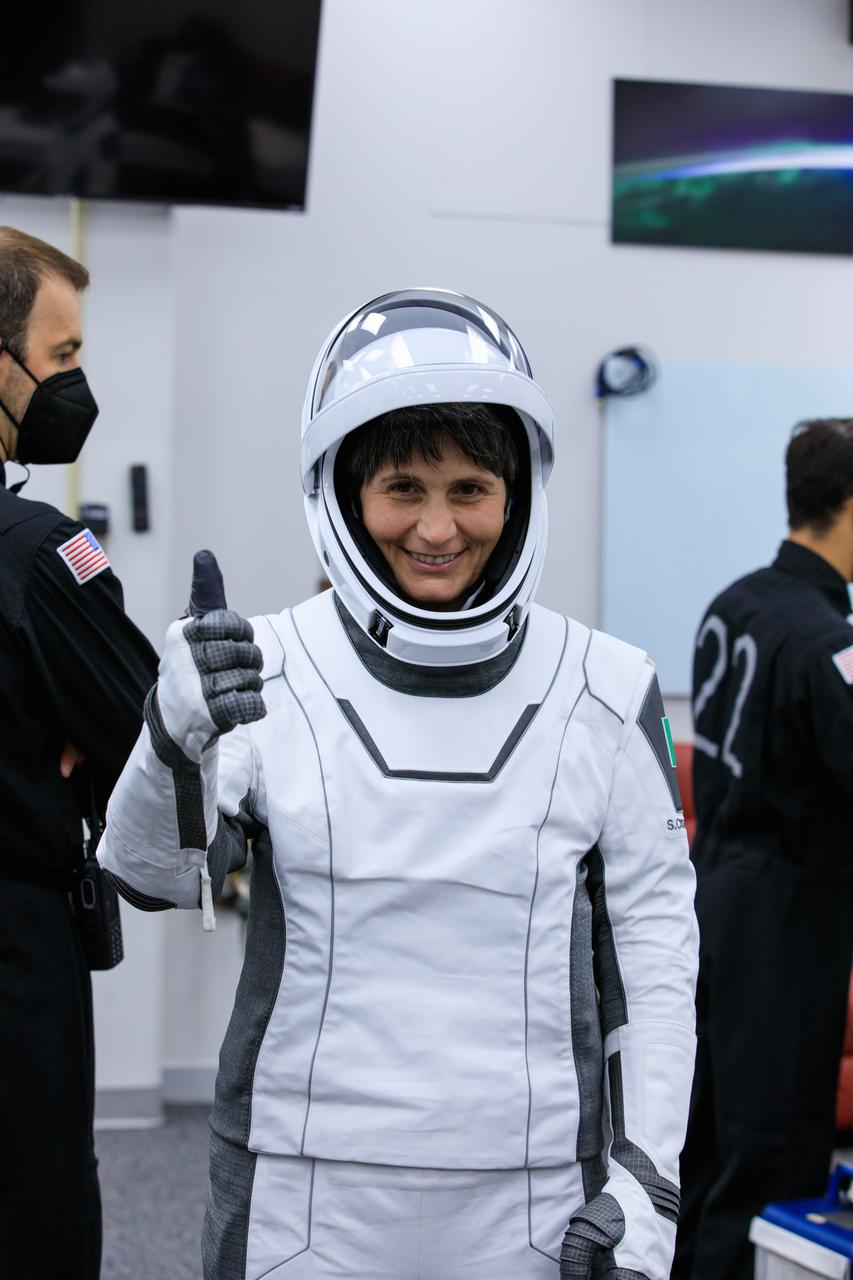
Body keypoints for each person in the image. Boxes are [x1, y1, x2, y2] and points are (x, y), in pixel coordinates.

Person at [99, 288, 698, 1279]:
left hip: (535, 1182)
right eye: (402, 487)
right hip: (301, 1180)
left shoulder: (607, 685)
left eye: (469, 487)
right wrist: (174, 732)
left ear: (518, 496)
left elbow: (655, 948)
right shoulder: (258, 666)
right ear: (342, 492)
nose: (435, 526)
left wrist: (647, 1169)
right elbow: (148, 875)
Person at [0, 226, 159, 1280]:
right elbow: (150, 731)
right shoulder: (44, 556)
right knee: (34, 1207)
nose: (76, 383)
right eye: (60, 357)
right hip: (15, 955)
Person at [673, 419, 853, 1280]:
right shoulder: (829, 641)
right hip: (788, 926)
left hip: (711, 903)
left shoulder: (733, 603)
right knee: (770, 1160)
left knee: (703, 1147)